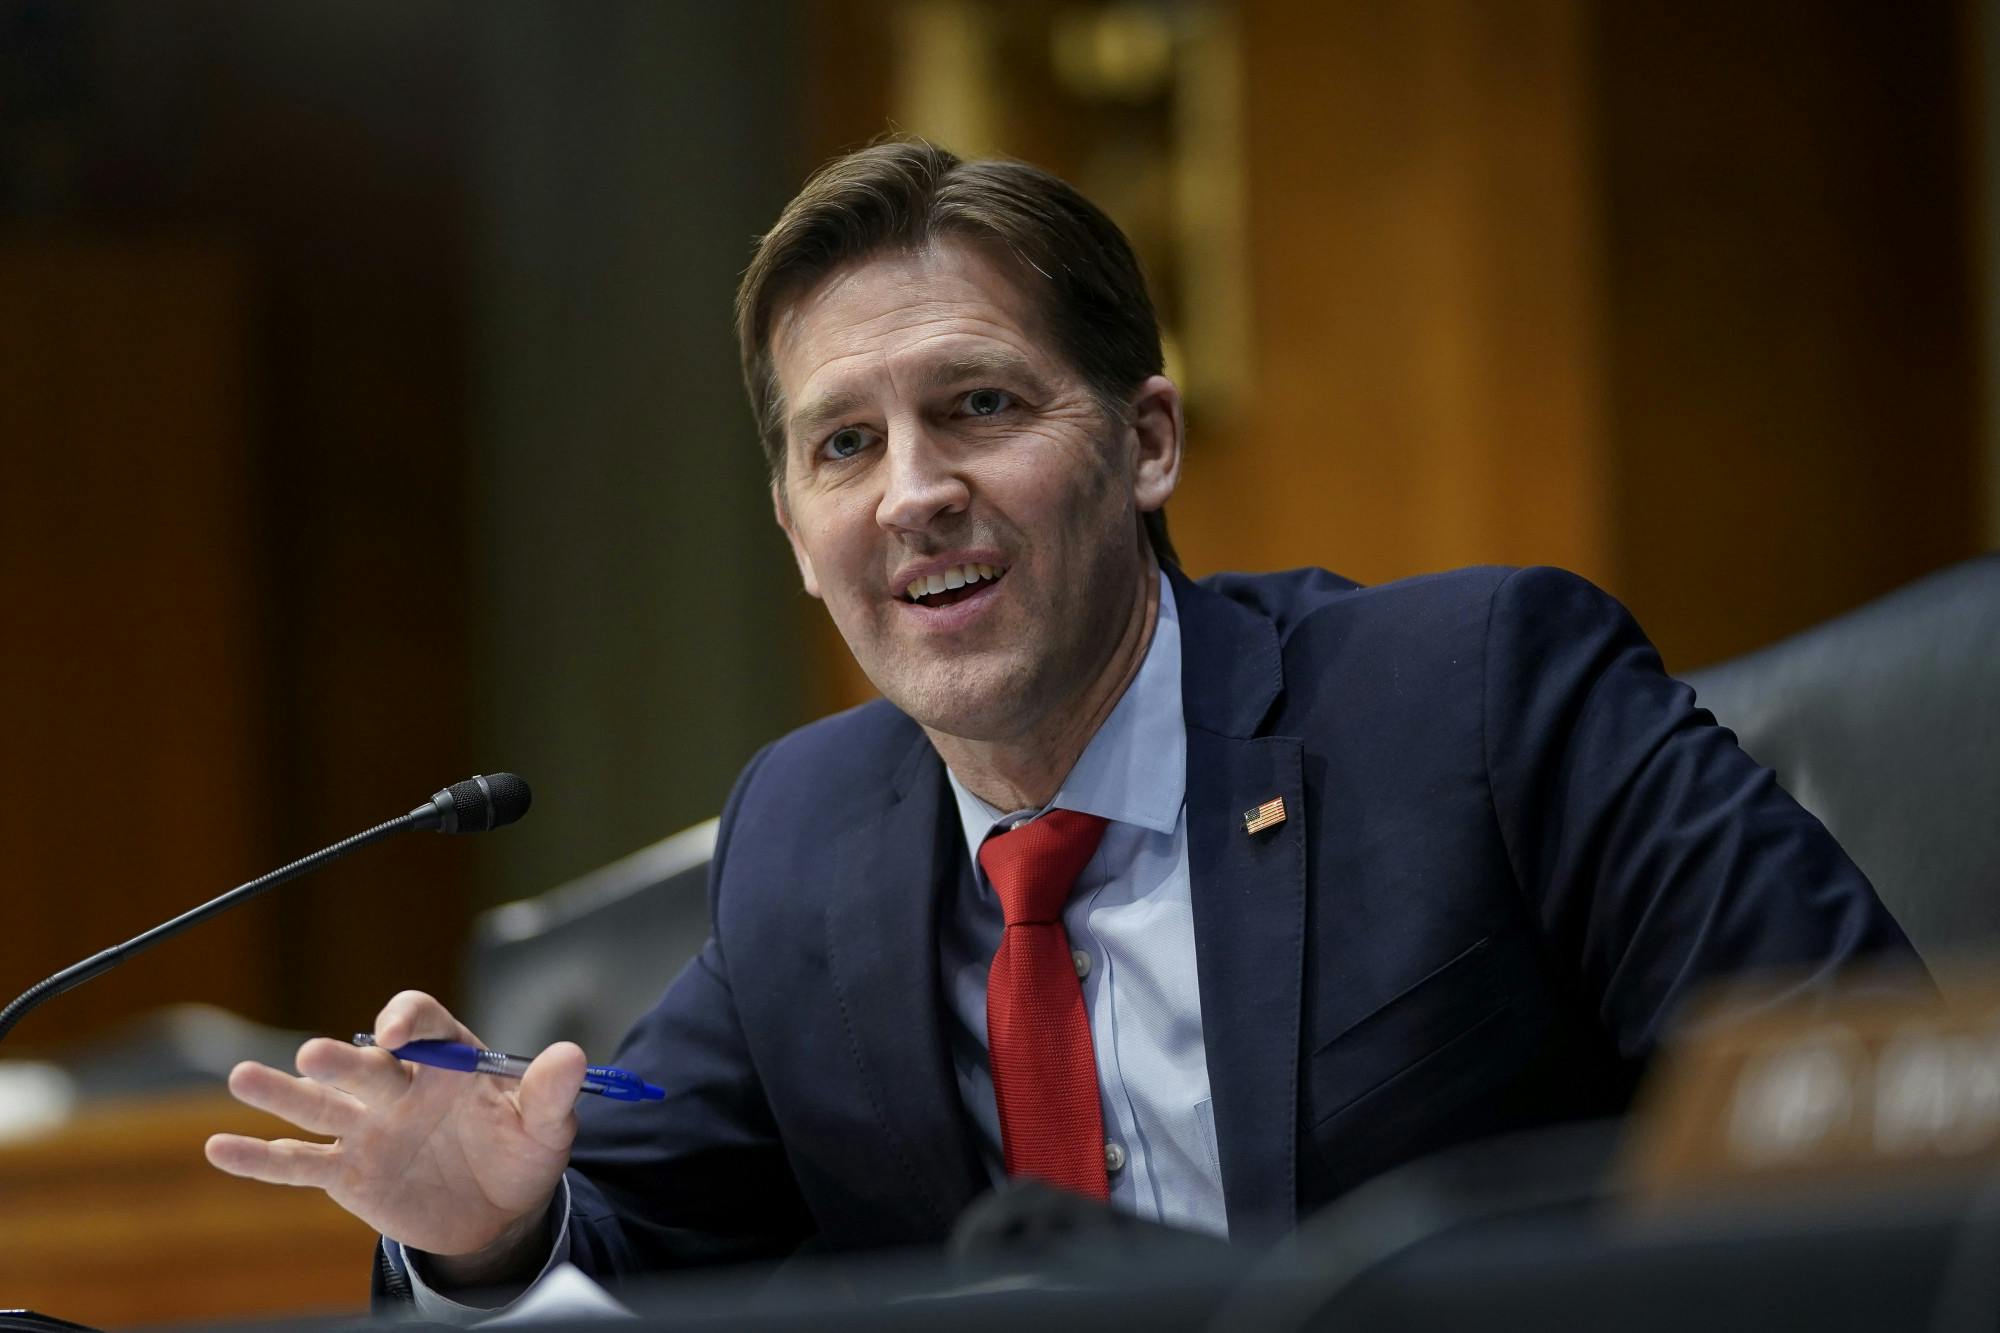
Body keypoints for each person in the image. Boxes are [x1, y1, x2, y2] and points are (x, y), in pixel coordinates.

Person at [204, 139, 1920, 1310]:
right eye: (843, 446)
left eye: (977, 406)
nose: (916, 494)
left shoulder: (1475, 692)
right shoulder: (811, 849)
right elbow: (616, 1215)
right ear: (795, 538)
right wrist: (489, 1229)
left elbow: (1869, 1095)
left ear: (1146, 442)